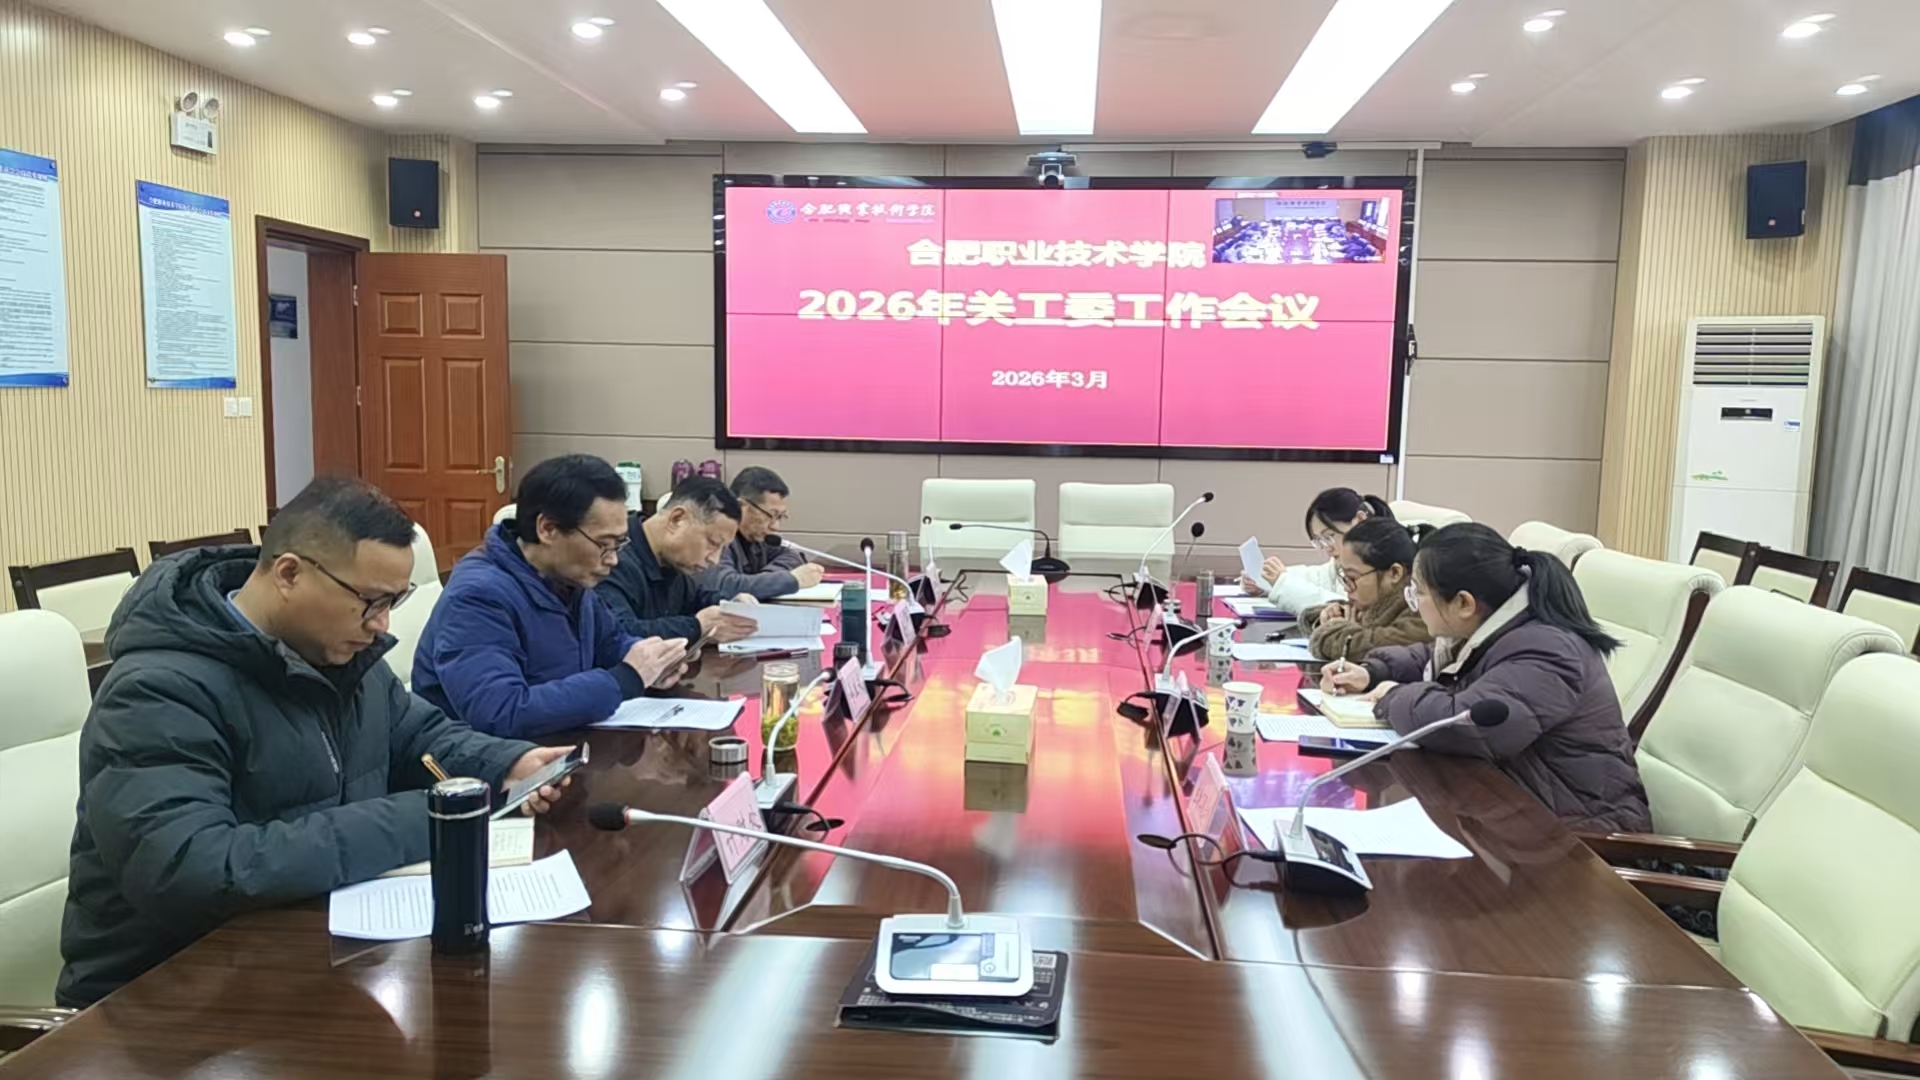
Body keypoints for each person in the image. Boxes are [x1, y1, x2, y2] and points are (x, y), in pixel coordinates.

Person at [58, 477, 576, 1008]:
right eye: (370, 601)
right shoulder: (157, 692)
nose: (382, 624)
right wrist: (421, 823)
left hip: (300, 960)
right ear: (289, 574)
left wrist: (506, 763)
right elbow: (190, 871)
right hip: (159, 999)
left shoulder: (338, 653)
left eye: (394, 601)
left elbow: (417, 736)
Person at [1320, 523, 1649, 833]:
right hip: (1515, 814)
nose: (1415, 606)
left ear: (1464, 603)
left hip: (1581, 838)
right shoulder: (1499, 627)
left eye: (1418, 593)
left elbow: (1465, 726)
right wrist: (1373, 671)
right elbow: (1434, 658)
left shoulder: (1547, 650)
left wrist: (1392, 697)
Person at [412, 454, 689, 738]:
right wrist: (625, 679)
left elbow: (610, 643)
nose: (613, 559)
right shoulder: (477, 597)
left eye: (618, 544)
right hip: (483, 758)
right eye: (603, 544)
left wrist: (652, 661)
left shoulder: (568, 578)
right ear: (547, 529)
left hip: (558, 743)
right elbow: (501, 712)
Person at [597, 476, 759, 644]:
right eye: (713, 543)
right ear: (677, 519)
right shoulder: (611, 557)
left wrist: (730, 605)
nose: (714, 559)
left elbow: (696, 599)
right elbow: (619, 633)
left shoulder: (670, 561)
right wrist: (698, 626)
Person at [1240, 488, 1393, 615]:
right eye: (1319, 541)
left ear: (1359, 520)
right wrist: (1268, 581)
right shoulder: (1346, 562)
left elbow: (1347, 609)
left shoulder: (1381, 565)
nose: (1327, 547)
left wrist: (1283, 583)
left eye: (1329, 536)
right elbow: (1318, 577)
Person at [1301, 517, 1431, 663]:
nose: (1346, 587)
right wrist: (1331, 615)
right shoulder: (1376, 601)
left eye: (1352, 577)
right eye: (1344, 577)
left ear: (1395, 573)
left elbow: (1370, 647)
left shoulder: (1424, 611)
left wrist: (1334, 631)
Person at [700, 465, 825, 601]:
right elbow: (726, 586)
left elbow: (792, 555)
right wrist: (790, 580)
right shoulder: (718, 537)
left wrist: (766, 579)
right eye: (771, 515)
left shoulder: (756, 536)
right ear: (741, 506)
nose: (775, 526)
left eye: (780, 517)